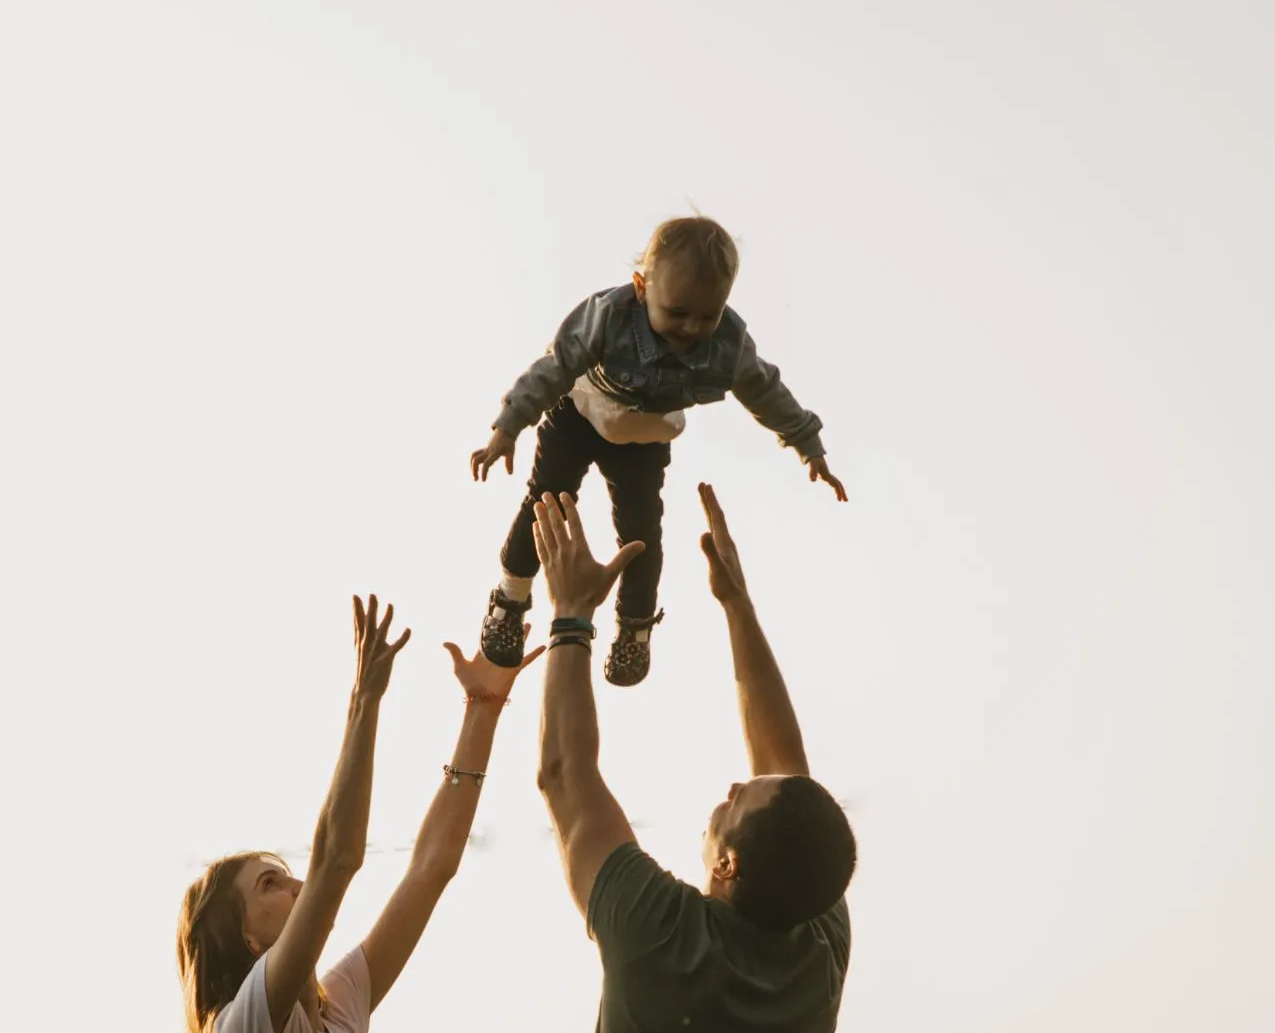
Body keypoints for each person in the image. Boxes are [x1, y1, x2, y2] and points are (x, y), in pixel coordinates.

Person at [526, 483, 857, 1032]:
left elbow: (563, 775)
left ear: (728, 865)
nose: (730, 790)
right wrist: (737, 606)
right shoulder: (817, 944)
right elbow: (786, 776)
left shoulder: (660, 936)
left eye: (735, 803)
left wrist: (572, 612)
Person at [468, 216, 848, 688]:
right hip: (581, 410)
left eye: (707, 316)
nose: (691, 328)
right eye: (677, 312)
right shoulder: (608, 314)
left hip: (643, 437)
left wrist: (807, 446)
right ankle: (511, 596)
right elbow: (556, 365)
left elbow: (767, 392)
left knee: (641, 531)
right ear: (641, 287)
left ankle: (635, 626)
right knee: (548, 499)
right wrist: (508, 426)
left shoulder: (728, 348)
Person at [175, 596, 543, 1033]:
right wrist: (364, 700)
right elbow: (335, 861)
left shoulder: (337, 1009)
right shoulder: (241, 1024)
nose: (299, 886)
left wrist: (483, 708)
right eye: (268, 884)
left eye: (285, 874)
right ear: (245, 940)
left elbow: (432, 867)